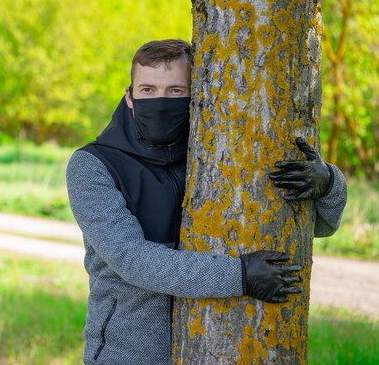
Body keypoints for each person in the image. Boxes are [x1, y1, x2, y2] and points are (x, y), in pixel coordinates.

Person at [66, 39, 348, 365]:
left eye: (175, 91)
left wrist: (327, 183)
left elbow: (322, 227)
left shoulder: (214, 155)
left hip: (214, 352)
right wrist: (239, 276)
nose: (160, 101)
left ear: (197, 95)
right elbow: (132, 259)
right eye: (148, 89)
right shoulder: (93, 165)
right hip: (125, 355)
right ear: (130, 97)